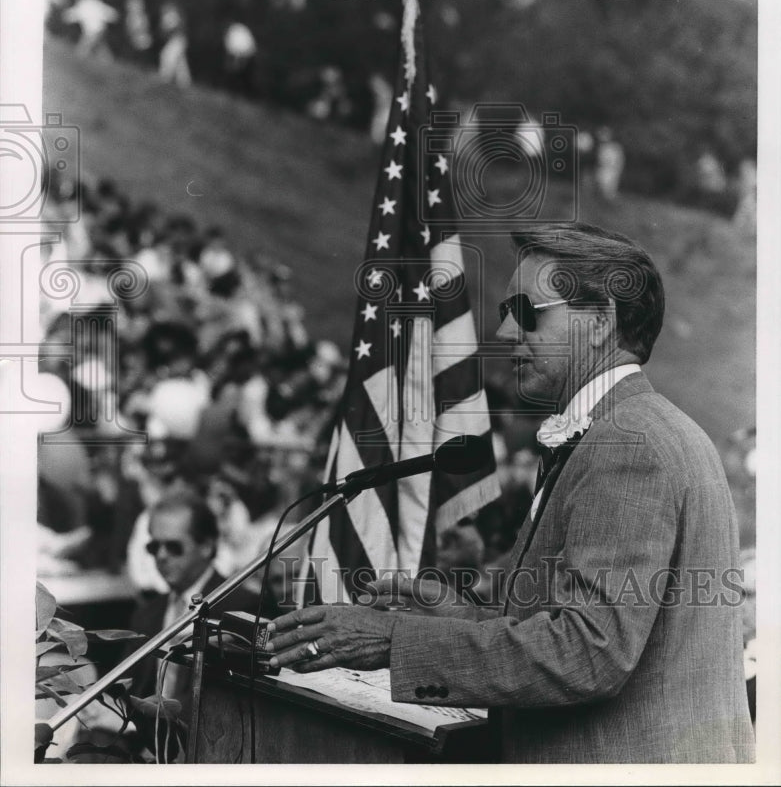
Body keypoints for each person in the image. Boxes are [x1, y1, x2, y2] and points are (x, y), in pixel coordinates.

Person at [266, 222, 754, 763]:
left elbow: (588, 652)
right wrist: (458, 617)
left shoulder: (625, 443)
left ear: (601, 323)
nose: (503, 332)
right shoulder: (632, 429)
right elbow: (583, 631)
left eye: (527, 312)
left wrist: (392, 639)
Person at [127, 493, 255, 704]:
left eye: (174, 547)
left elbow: (226, 702)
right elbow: (126, 686)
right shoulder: (147, 614)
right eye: (154, 547)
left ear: (206, 546)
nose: (161, 555)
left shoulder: (241, 608)